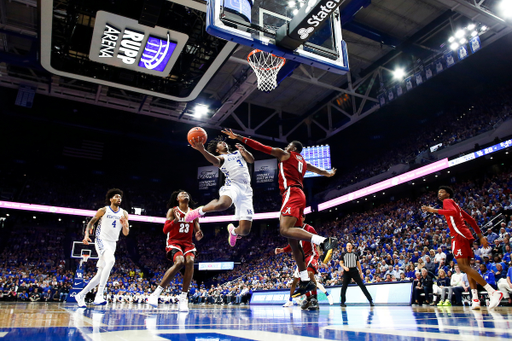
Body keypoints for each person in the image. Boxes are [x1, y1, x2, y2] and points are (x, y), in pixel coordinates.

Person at [223, 128, 338, 297]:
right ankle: (305, 281)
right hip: (300, 196)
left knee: (284, 230)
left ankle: (324, 241)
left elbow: (261, 146)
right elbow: (317, 170)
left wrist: (238, 137)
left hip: (291, 193)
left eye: (288, 145)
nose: (286, 146)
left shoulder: (286, 154)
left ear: (292, 148)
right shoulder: (304, 163)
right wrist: (328, 174)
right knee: (293, 243)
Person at [422, 186, 503, 309]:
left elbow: (453, 213)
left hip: (458, 235)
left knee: (463, 266)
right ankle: (475, 300)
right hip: (465, 234)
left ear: (448, 194)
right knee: (467, 268)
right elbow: (470, 220)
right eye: (438, 192)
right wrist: (480, 236)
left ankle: (493, 292)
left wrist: (434, 210)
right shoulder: (456, 205)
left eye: (442, 192)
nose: (439, 194)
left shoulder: (447, 202)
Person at [186, 135, 254, 247]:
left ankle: (233, 232)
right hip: (233, 185)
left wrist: (244, 151)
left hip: (247, 190)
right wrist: (202, 150)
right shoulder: (221, 158)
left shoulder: (238, 153)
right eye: (220, 143)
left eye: (224, 142)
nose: (223, 143)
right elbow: (215, 160)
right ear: (217, 150)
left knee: (245, 230)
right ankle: (200, 211)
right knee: (223, 204)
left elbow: (251, 160)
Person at [148, 190, 203, 312]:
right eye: (182, 194)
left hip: (188, 243)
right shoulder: (172, 211)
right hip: (174, 242)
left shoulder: (193, 212)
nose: (185, 194)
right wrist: (175, 221)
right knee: (179, 262)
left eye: (186, 193)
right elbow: (165, 230)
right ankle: (156, 294)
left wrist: (199, 234)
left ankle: (183, 298)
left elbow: (197, 229)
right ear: (177, 199)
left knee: (190, 261)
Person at [75, 188, 129, 308]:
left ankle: (80, 295)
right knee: (111, 261)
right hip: (101, 240)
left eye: (120, 197)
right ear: (111, 199)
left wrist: (125, 225)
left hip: (113, 243)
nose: (118, 198)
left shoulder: (124, 213)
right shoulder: (104, 210)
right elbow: (91, 223)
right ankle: (99, 295)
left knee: (100, 275)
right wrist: (86, 235)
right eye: (116, 196)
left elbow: (126, 233)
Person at [275, 220, 334, 310]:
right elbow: (292, 245)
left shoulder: (309, 228)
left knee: (310, 274)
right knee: (302, 280)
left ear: (302, 218)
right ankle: (308, 299)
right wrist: (282, 250)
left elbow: (318, 240)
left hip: (312, 255)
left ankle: (315, 299)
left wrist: (322, 258)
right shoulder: (294, 231)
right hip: (302, 257)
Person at [339, 243, 374, 307]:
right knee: (344, 287)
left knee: (362, 285)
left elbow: (358, 264)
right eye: (348, 246)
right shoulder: (343, 254)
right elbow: (341, 263)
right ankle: (342, 302)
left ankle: (370, 300)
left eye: (350, 246)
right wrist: (344, 267)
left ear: (352, 247)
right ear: (346, 247)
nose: (349, 247)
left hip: (354, 271)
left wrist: (361, 273)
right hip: (347, 271)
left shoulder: (355, 254)